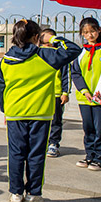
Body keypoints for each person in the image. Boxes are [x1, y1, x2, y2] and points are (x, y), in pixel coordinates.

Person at [0, 19, 80, 202]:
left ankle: (16, 194)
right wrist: (53, 38)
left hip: (15, 112)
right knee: (36, 154)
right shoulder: (46, 55)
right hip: (40, 113)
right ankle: (33, 194)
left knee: (16, 154)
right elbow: (74, 49)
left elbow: (0, 86)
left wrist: (5, 109)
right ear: (36, 37)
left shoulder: (7, 59)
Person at [71, 17, 101, 171]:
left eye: (92, 31)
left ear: (99, 30)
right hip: (85, 97)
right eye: (86, 33)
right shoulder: (81, 51)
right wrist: (84, 90)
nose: (89, 35)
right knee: (88, 128)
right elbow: (75, 73)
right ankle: (90, 155)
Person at [39, 29, 70, 158]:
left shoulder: (59, 55)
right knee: (41, 121)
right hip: (41, 93)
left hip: (56, 93)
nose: (48, 43)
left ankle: (53, 143)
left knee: (56, 120)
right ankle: (42, 143)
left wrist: (65, 92)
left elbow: (65, 75)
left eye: (51, 40)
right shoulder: (37, 54)